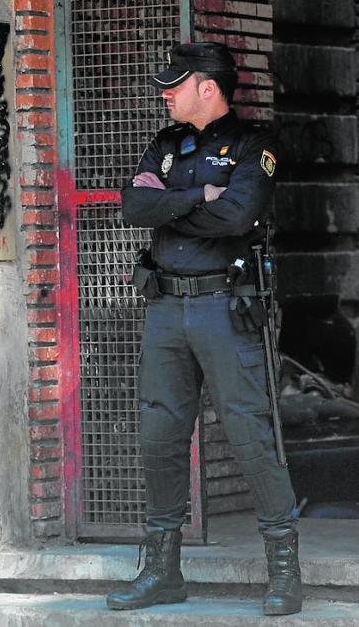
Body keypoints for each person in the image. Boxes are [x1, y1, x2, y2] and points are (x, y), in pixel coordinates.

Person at [105, 41, 302, 616]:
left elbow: (238, 216)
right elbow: (131, 208)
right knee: (159, 437)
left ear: (207, 88)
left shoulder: (253, 145)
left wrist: (169, 201)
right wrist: (197, 196)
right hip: (166, 308)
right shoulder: (166, 143)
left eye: (176, 84)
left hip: (224, 305)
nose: (166, 93)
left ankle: (285, 570)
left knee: (249, 433)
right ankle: (162, 571)